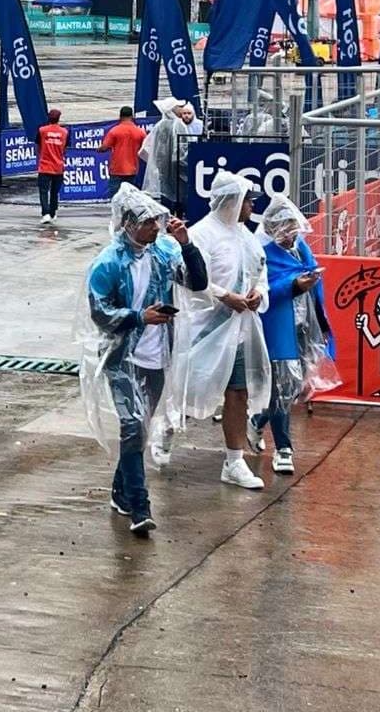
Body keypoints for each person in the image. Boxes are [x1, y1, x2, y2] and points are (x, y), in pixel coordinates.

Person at [77, 185, 208, 537]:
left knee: (140, 430)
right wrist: (139, 317)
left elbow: (198, 282)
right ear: (128, 224)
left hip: (156, 357)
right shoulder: (107, 264)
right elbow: (100, 312)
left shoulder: (164, 252)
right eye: (149, 221)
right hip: (123, 357)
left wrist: (186, 244)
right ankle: (140, 507)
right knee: (133, 427)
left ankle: (120, 493)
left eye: (157, 221)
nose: (156, 227)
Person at [165, 171, 271, 488]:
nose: (252, 206)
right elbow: (196, 282)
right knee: (188, 387)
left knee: (237, 393)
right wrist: (226, 297)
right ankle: (166, 427)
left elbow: (260, 273)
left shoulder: (246, 237)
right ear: (231, 201)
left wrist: (258, 294)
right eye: (248, 200)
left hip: (238, 330)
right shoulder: (203, 235)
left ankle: (234, 462)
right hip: (206, 328)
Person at [249, 198, 339, 475]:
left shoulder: (301, 248)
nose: (292, 234)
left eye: (294, 228)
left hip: (305, 326)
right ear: (274, 228)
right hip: (280, 327)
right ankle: (284, 448)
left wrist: (321, 320)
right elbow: (263, 293)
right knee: (281, 387)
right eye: (286, 229)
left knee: (294, 387)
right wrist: (293, 285)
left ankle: (257, 420)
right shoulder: (262, 254)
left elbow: (313, 277)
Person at [138, 98, 181, 209]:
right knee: (174, 196)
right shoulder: (173, 126)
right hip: (172, 168)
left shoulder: (160, 126)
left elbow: (145, 149)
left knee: (166, 194)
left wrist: (156, 164)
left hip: (164, 168)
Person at [97, 105, 148, 196]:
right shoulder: (140, 132)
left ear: (120, 116)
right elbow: (146, 148)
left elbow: (104, 147)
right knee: (131, 197)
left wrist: (99, 149)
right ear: (132, 116)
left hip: (117, 169)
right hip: (133, 169)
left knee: (116, 196)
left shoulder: (114, 131)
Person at [37, 108, 68, 224]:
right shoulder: (64, 132)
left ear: (49, 118)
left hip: (45, 166)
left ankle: (45, 213)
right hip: (58, 167)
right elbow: (65, 148)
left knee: (43, 191)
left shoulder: (42, 130)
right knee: (55, 192)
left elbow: (38, 146)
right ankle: (53, 212)